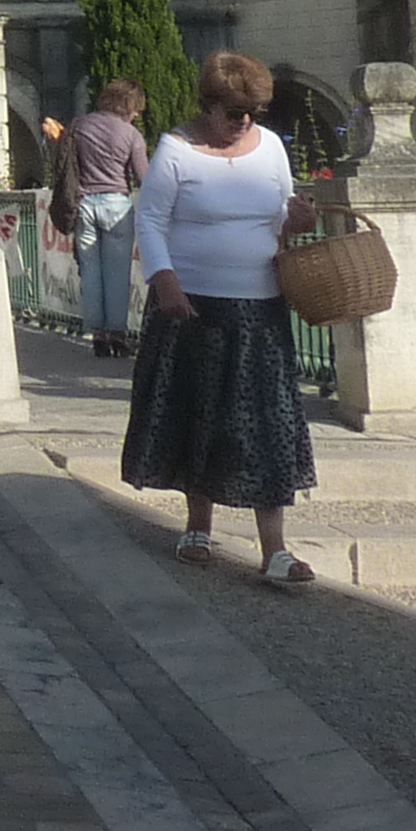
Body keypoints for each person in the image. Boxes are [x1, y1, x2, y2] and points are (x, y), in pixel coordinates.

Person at [123, 50, 323, 585]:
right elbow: (151, 220)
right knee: (200, 413)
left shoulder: (272, 150)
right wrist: (164, 280)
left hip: (260, 304)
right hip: (193, 304)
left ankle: (275, 548)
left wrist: (297, 221)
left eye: (252, 112)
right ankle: (198, 523)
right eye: (235, 112)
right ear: (209, 106)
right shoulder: (175, 150)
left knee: (269, 422)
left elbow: (282, 216)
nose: (244, 121)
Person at [64, 80, 152, 358]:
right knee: (117, 273)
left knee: (90, 271)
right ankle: (117, 333)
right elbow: (144, 177)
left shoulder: (79, 126)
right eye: (135, 108)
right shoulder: (131, 134)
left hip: (84, 203)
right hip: (116, 204)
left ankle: (97, 334)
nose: (136, 114)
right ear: (127, 106)